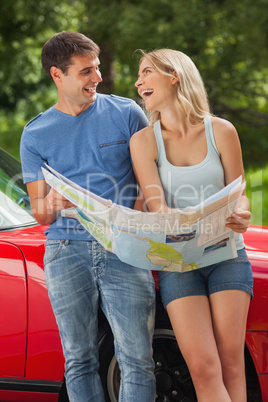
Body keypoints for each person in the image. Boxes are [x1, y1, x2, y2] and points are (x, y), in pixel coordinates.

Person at [20, 31, 156, 402]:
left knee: (138, 358)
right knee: (79, 358)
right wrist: (57, 201)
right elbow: (39, 212)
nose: (96, 77)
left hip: (124, 247)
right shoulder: (35, 134)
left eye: (96, 69)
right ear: (57, 75)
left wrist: (136, 217)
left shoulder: (127, 113)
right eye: (86, 71)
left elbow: (151, 183)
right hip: (66, 251)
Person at [130, 48, 253, 402]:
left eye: (146, 72)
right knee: (202, 366)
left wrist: (242, 213)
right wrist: (165, 217)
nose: (138, 82)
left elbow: (239, 193)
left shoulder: (222, 131)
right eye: (138, 76)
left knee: (231, 363)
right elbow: (157, 204)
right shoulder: (143, 142)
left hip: (227, 256)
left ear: (175, 76)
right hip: (178, 263)